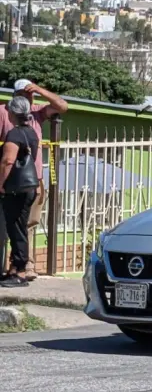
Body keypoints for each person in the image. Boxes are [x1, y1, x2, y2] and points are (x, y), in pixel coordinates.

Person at [1, 79, 68, 280]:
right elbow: (7, 159)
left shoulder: (36, 113)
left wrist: (40, 90)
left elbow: (62, 106)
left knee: (26, 224)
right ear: (15, 95)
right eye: (23, 93)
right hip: (9, 181)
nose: (28, 97)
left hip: (31, 180)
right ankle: (15, 266)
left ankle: (22, 265)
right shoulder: (5, 113)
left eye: (30, 94)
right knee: (10, 225)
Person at [0, 97, 41, 287]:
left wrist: (1, 184)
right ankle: (15, 269)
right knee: (19, 228)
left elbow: (8, 161)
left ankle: (20, 272)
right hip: (28, 187)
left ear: (13, 113)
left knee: (17, 230)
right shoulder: (31, 132)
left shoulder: (14, 134)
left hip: (16, 188)